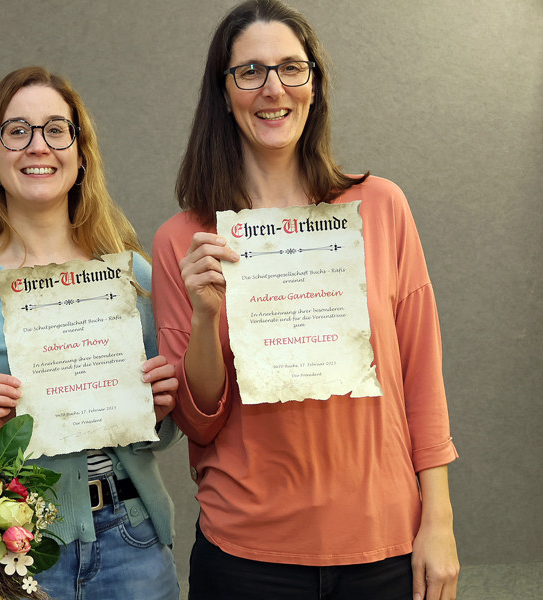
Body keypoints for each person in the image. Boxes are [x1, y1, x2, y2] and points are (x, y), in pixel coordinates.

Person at [151, 1, 459, 599]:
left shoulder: (381, 207)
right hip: (246, 552)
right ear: (224, 91)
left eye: (292, 68)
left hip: (383, 537)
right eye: (250, 72)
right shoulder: (184, 239)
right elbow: (198, 422)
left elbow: (422, 373)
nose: (274, 89)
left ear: (314, 85)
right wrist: (208, 313)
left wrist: (439, 519)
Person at [0, 66, 181, 600]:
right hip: (15, 553)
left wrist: (159, 408)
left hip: (131, 537)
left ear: (80, 152)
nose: (37, 146)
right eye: (16, 131)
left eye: (55, 129)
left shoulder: (133, 278)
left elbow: (166, 431)